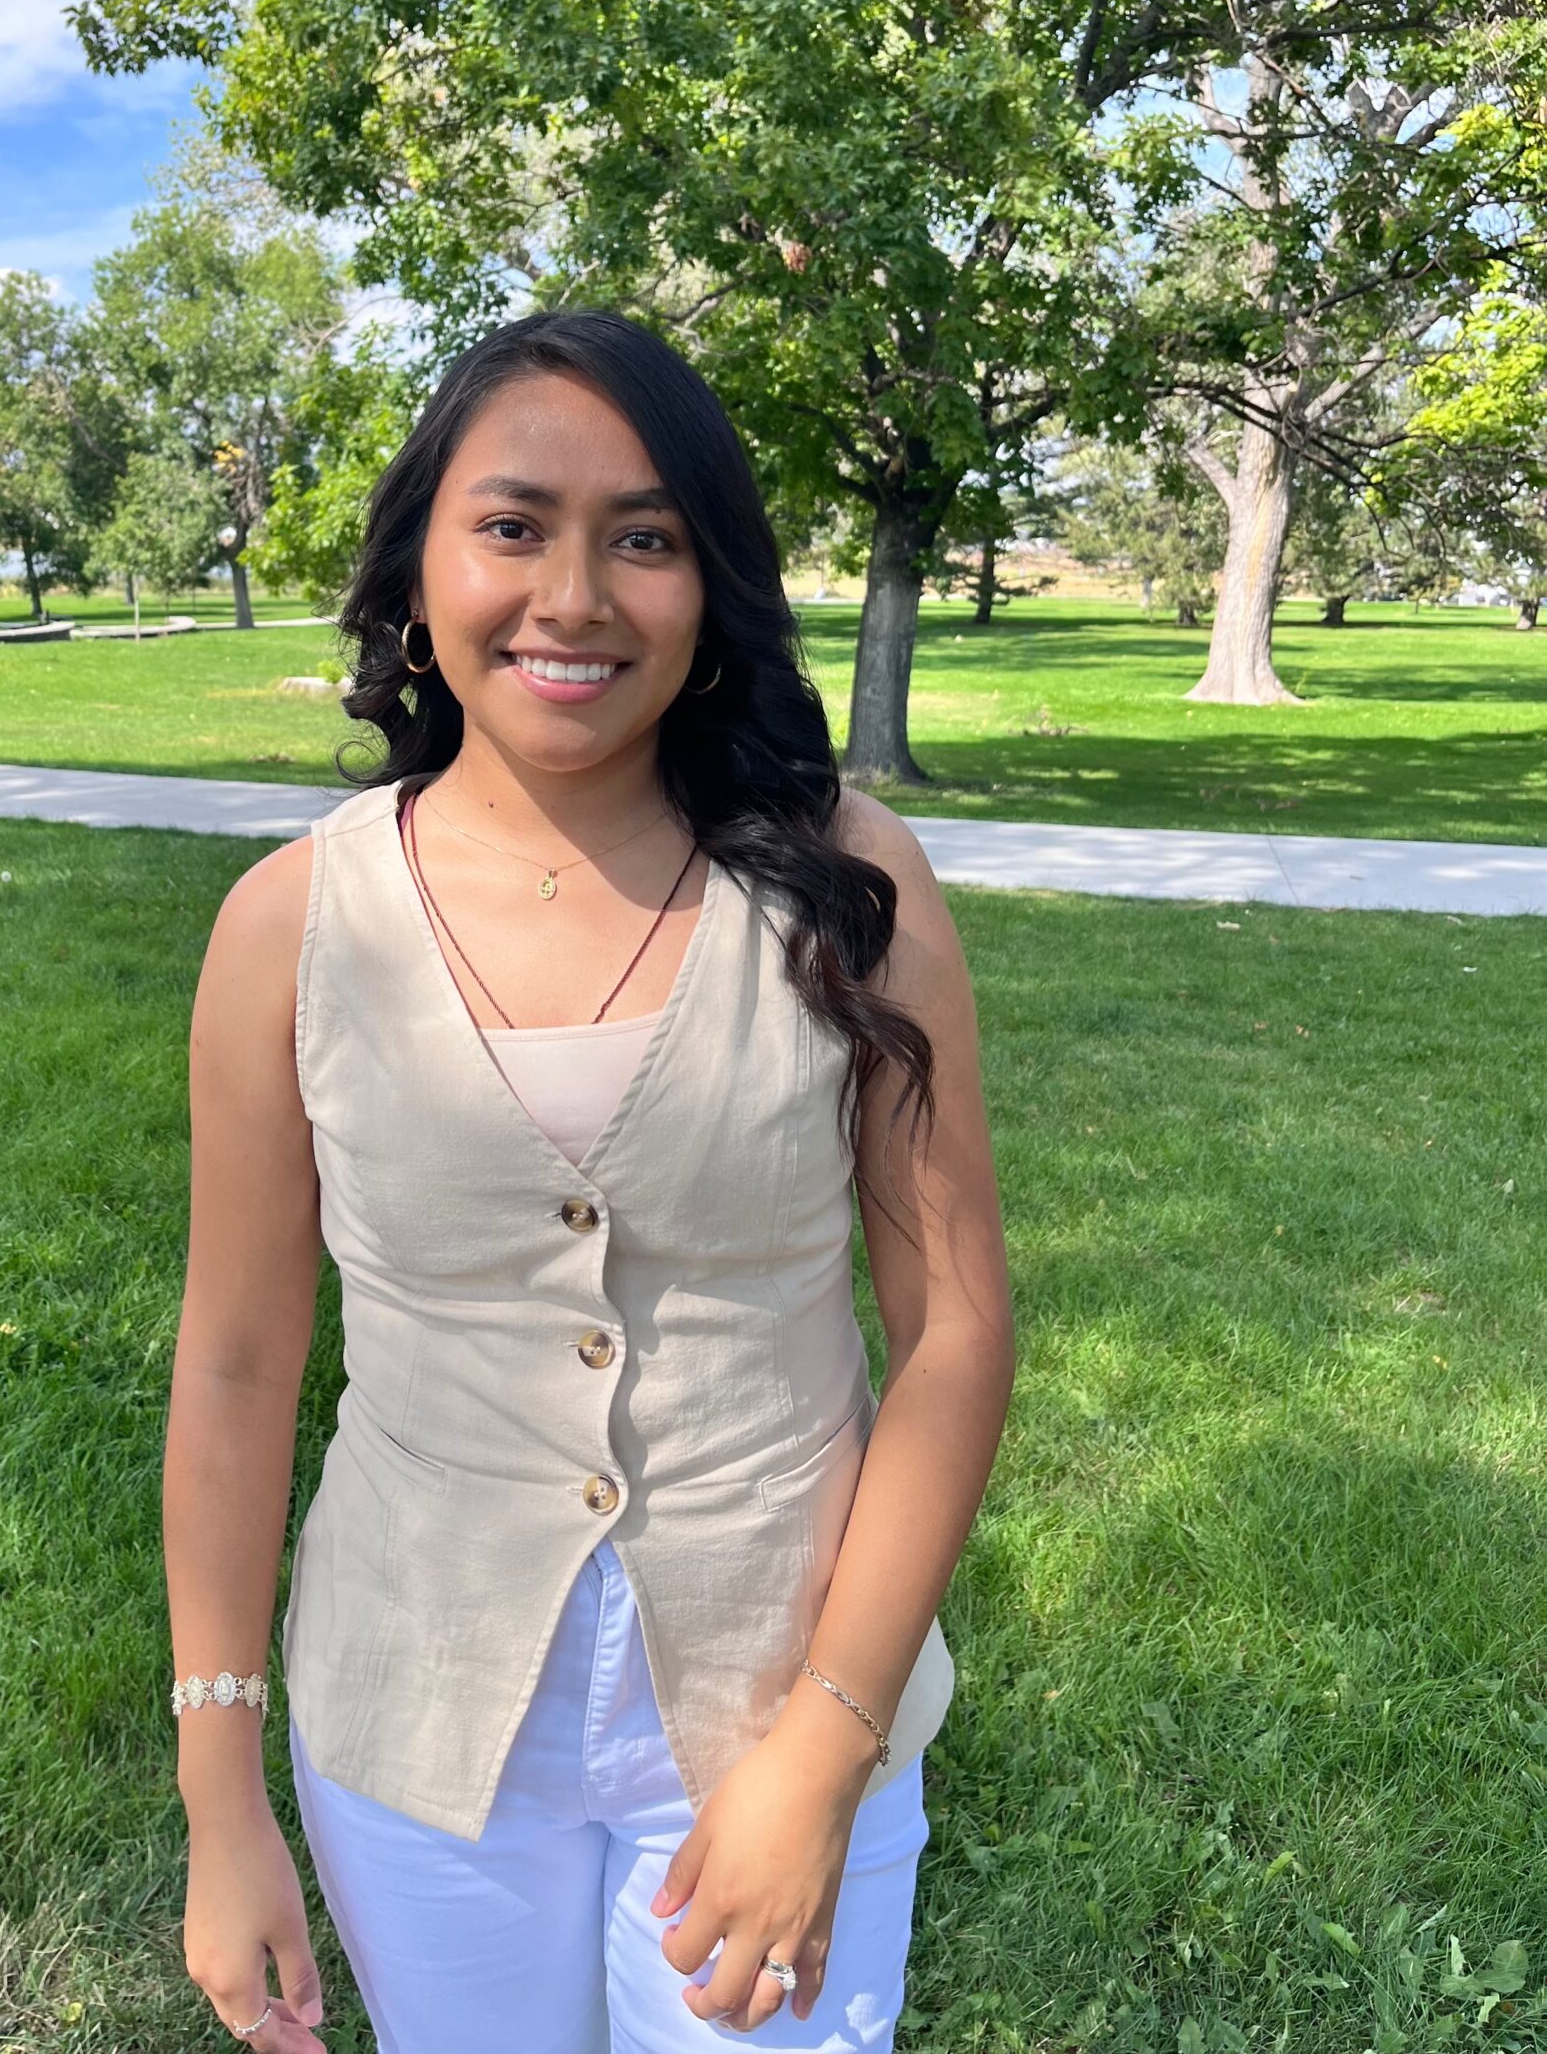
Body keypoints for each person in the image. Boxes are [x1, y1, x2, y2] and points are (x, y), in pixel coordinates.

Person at [166, 310, 1016, 2053]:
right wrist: (220, 1797)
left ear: (710, 592)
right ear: (421, 570)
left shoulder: (848, 887)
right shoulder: (289, 927)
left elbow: (953, 1331)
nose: (572, 597)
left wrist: (825, 1746)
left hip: (782, 1699)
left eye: (644, 538)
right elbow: (239, 1360)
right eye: (512, 526)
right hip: (413, 1722)